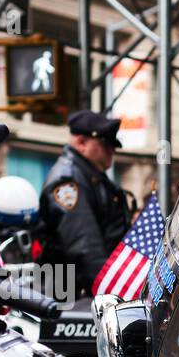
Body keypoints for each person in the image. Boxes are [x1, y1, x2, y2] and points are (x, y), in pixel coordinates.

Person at [40, 110, 131, 294]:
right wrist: (110, 291)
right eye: (106, 144)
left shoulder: (92, 177)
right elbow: (85, 246)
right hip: (75, 294)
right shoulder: (67, 180)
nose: (112, 150)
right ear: (82, 143)